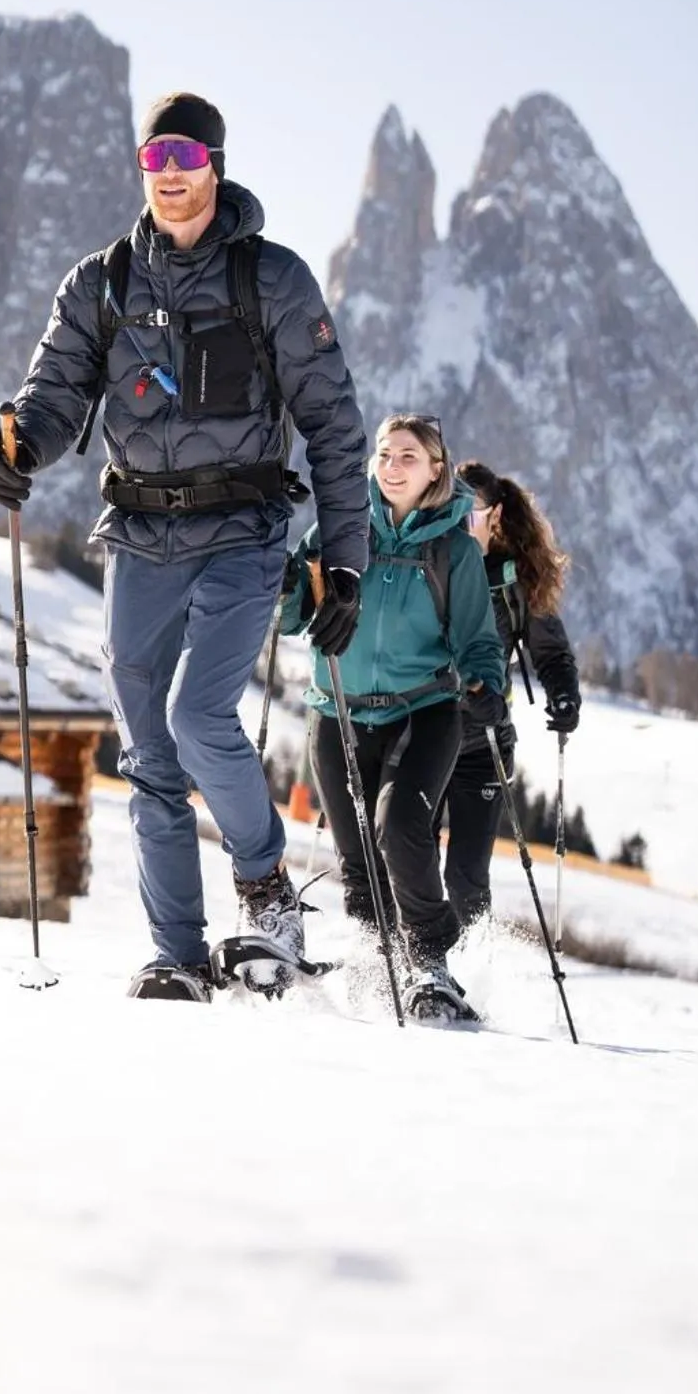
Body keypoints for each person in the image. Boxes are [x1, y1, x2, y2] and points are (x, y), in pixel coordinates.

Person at [0, 91, 369, 1001]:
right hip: (141, 536)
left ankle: (265, 886)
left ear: (217, 166)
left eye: (188, 159)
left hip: (242, 530)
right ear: (142, 170)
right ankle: (178, 955)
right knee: (147, 750)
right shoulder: (100, 284)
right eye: (157, 160)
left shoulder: (271, 280)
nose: (173, 177)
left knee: (200, 717)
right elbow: (54, 391)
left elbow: (333, 425)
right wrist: (19, 448)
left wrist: (342, 557)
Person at [282, 413, 506, 1019]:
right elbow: (288, 614)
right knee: (358, 860)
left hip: (423, 711)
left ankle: (429, 961)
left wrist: (487, 683)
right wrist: (282, 582)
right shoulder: (340, 530)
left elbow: (477, 639)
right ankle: (375, 966)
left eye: (408, 456)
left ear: (437, 469)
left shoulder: (452, 549)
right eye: (384, 455)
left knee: (400, 825)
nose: (392, 466)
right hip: (337, 712)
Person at [441, 459, 581, 930]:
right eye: (451, 510)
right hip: (420, 737)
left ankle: (469, 971)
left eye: (472, 513)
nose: (461, 523)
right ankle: (413, 967)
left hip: (484, 744)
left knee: (465, 878)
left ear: (496, 516)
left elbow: (552, 653)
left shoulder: (514, 583)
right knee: (404, 861)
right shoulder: (425, 561)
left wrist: (565, 696)